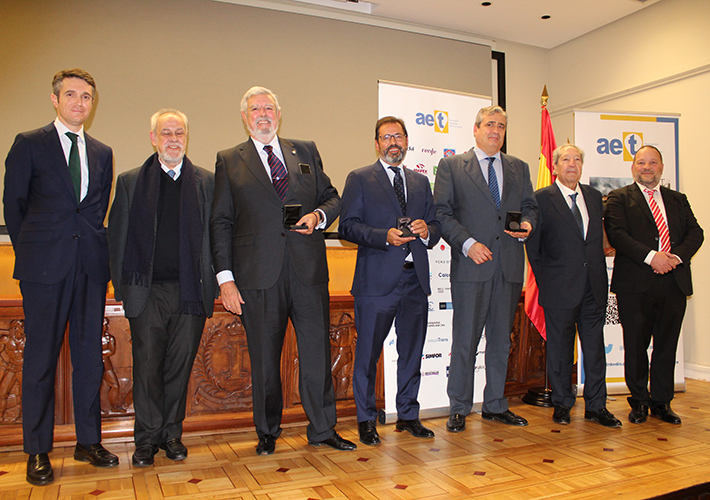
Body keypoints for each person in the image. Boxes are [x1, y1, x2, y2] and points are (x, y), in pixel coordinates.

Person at [210, 86, 355, 455]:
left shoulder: (304, 150)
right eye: (255, 108)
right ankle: (267, 431)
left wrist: (319, 216)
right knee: (263, 359)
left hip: (307, 271)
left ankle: (323, 429)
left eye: (269, 108)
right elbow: (221, 222)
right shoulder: (229, 159)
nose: (263, 114)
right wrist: (225, 279)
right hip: (257, 276)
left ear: (279, 113)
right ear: (245, 117)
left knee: (317, 354)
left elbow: (332, 195)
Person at [3, 68, 118, 486]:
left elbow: (95, 211)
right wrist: (35, 252)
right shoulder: (30, 144)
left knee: (89, 359)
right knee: (39, 362)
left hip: (89, 268)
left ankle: (88, 441)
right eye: (71, 95)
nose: (79, 103)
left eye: (86, 96)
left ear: (93, 103)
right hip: (43, 270)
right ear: (55, 99)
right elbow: (13, 207)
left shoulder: (103, 152)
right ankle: (37, 450)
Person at [108, 109, 216, 466]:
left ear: (187, 137)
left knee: (178, 367)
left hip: (191, 290)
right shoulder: (130, 182)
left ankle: (171, 435)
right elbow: (117, 237)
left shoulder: (206, 181)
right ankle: (146, 439)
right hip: (147, 291)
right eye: (166, 133)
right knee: (147, 366)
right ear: (153, 138)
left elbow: (216, 237)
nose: (174, 139)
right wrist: (122, 290)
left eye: (180, 132)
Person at [433, 105, 537, 432]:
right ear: (476, 129)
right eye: (490, 124)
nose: (496, 130)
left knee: (501, 342)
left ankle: (495, 405)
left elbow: (530, 207)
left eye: (502, 126)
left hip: (507, 266)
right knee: (465, 340)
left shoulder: (519, 168)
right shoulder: (452, 166)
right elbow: (442, 213)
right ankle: (459, 407)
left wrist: (528, 225)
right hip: (471, 267)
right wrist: (467, 243)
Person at [339, 117, 441, 445]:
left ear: (407, 140)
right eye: (386, 137)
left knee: (412, 352)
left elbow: (436, 224)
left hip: (415, 281)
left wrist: (428, 231)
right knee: (368, 354)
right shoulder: (360, 179)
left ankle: (408, 415)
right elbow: (348, 227)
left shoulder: (421, 182)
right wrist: (385, 237)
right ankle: (366, 419)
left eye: (398, 136)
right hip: (375, 283)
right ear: (377, 143)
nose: (392, 142)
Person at [604, 145, 703, 425]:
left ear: (661, 167)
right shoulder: (619, 198)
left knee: (666, 346)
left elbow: (696, 233)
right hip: (635, 284)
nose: (647, 167)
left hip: (674, 282)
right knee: (635, 346)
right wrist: (652, 258)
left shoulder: (678, 199)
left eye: (653, 163)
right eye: (641, 163)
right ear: (633, 167)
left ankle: (662, 402)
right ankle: (639, 403)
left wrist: (675, 258)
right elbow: (617, 234)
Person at [526, 144, 621, 427]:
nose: (572, 164)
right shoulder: (541, 198)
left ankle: (596, 406)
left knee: (594, 349)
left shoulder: (592, 196)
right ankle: (562, 404)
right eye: (566, 159)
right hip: (558, 288)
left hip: (593, 287)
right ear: (554, 166)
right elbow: (534, 247)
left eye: (577, 159)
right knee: (560, 349)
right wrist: (547, 282)